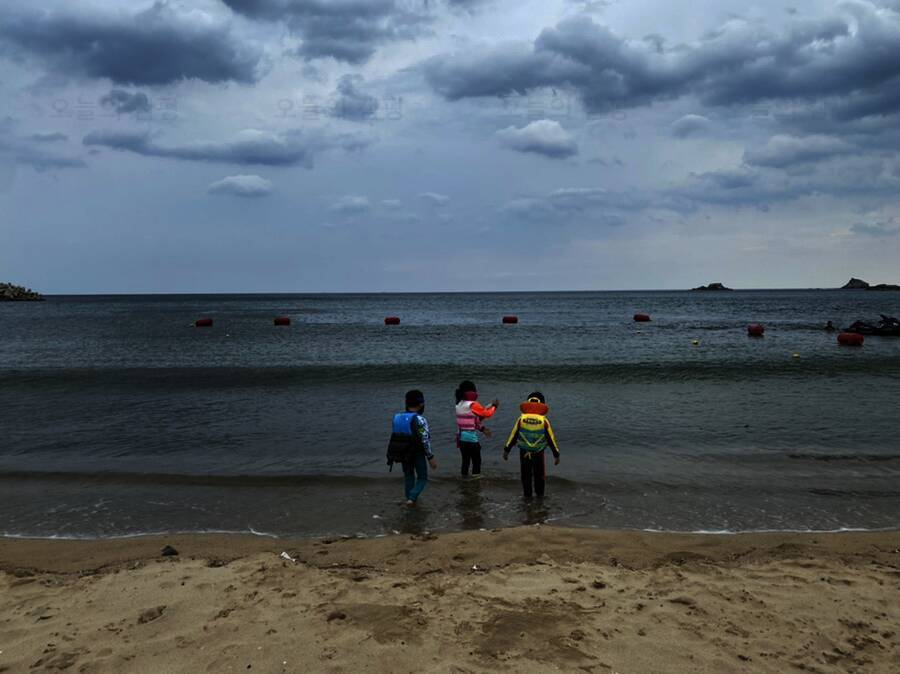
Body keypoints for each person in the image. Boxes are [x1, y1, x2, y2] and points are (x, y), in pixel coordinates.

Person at [503, 391, 560, 498]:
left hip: (524, 452)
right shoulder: (544, 421)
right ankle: (540, 497)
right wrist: (556, 454)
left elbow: (513, 436)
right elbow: (551, 439)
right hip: (539, 453)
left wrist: (507, 450)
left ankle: (527, 497)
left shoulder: (521, 419)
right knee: (539, 476)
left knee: (526, 476)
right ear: (542, 404)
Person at [386, 389, 437, 507]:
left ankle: (409, 499)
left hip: (402, 453)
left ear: (406, 403)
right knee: (422, 478)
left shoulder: (397, 417)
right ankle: (412, 498)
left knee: (408, 477)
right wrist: (430, 457)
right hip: (417, 453)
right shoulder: (420, 419)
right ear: (421, 404)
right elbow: (425, 439)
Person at [454, 380, 499, 478]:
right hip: (471, 439)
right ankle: (475, 480)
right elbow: (487, 414)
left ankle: (464, 480)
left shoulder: (459, 404)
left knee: (465, 461)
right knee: (476, 461)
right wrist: (494, 407)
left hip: (461, 439)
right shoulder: (473, 404)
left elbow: (475, 418)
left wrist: (483, 429)